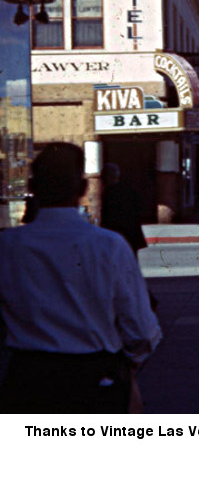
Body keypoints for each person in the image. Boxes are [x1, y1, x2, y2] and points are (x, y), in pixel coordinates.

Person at [0, 143, 161, 413]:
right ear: (83, 189)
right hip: (93, 378)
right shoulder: (108, 245)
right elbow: (142, 331)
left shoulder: (7, 246)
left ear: (33, 188)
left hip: (27, 380)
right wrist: (129, 365)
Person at [100, 163, 147, 257]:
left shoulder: (109, 193)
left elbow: (107, 218)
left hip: (118, 236)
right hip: (131, 235)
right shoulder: (129, 190)